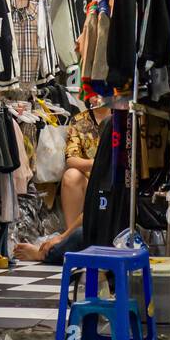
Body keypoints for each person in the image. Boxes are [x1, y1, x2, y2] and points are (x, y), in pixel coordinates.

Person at [14, 104, 108, 265]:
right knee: (73, 177)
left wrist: (62, 238)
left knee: (84, 234)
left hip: (106, 224)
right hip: (94, 186)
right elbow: (71, 158)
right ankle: (68, 240)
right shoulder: (81, 121)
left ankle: (51, 251)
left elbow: (93, 214)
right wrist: (97, 164)